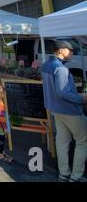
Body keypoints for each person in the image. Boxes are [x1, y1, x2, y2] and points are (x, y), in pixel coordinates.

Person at [40, 40, 87, 182]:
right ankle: (76, 176)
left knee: (62, 141)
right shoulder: (60, 68)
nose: (72, 52)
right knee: (82, 141)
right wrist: (82, 99)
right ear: (61, 50)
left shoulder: (46, 65)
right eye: (70, 50)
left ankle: (64, 174)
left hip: (56, 110)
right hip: (69, 111)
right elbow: (63, 93)